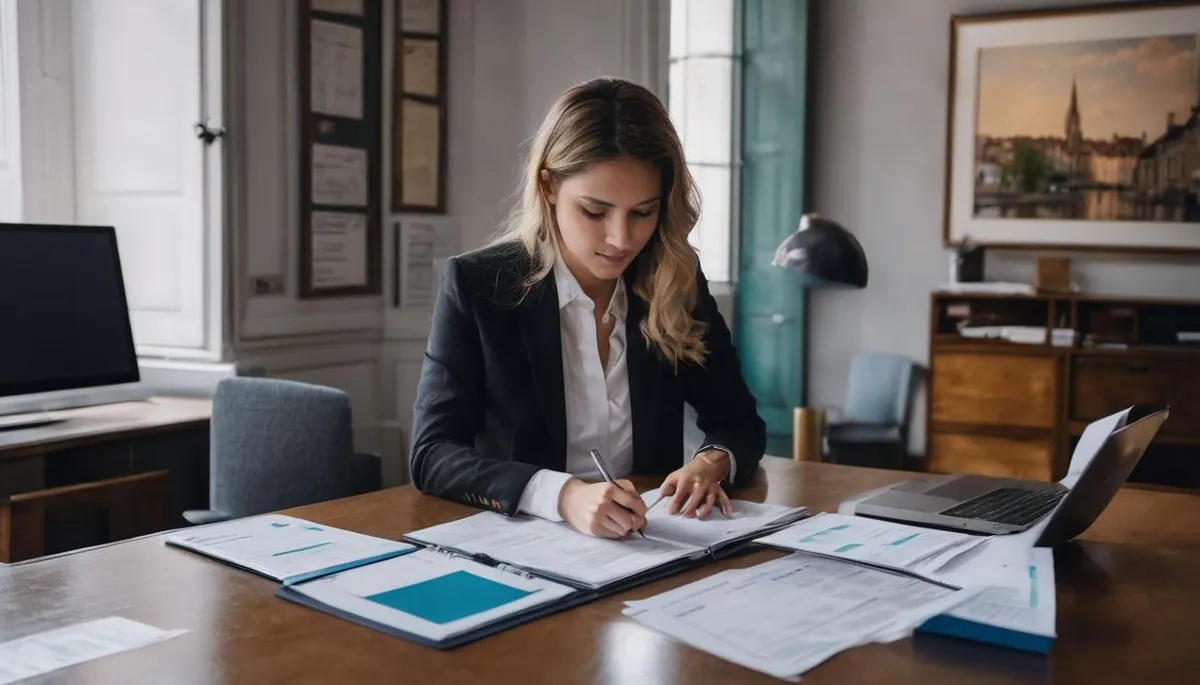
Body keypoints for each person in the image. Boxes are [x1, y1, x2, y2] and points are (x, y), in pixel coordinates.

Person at [409, 77, 766, 539]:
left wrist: (710, 463)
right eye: (595, 212)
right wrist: (562, 495)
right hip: (520, 546)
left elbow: (738, 421)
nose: (621, 240)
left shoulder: (674, 278)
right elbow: (432, 452)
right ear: (549, 186)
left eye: (643, 212)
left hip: (650, 544)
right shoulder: (479, 286)